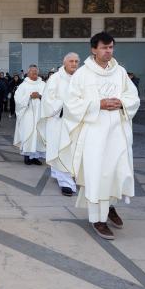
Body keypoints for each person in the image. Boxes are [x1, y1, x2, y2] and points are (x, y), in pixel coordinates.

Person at [63, 32, 140, 240]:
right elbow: (71, 104)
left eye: (111, 47)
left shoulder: (120, 72)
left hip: (117, 131)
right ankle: (98, 218)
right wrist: (99, 104)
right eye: (104, 47)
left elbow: (133, 96)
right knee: (97, 173)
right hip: (94, 132)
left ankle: (110, 205)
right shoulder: (82, 74)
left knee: (116, 170)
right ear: (93, 49)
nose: (108, 51)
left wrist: (121, 102)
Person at [42, 53, 80, 196]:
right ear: (64, 63)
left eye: (76, 61)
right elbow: (47, 100)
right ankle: (66, 182)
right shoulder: (55, 79)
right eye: (71, 61)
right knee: (61, 149)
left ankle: (62, 174)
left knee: (73, 150)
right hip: (59, 120)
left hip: (76, 121)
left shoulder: (80, 78)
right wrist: (64, 106)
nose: (74, 64)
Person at [14, 65, 47, 165]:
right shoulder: (23, 85)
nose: (34, 73)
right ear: (28, 73)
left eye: (36, 72)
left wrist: (40, 96)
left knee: (38, 135)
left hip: (40, 115)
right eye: (32, 72)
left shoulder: (43, 84)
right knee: (28, 134)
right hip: (27, 115)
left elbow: (49, 98)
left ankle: (35, 157)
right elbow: (18, 99)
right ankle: (27, 156)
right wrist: (29, 96)